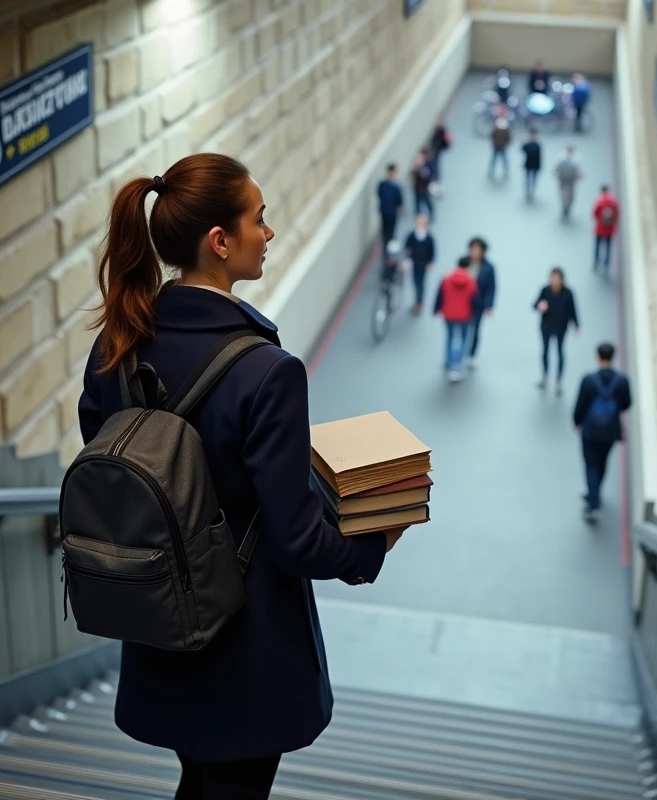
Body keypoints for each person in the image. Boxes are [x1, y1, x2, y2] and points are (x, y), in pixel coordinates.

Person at [77, 153, 405, 799]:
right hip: (243, 645)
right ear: (219, 241)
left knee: (196, 780)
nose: (270, 232)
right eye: (260, 218)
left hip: (158, 623)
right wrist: (373, 544)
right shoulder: (265, 370)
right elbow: (295, 540)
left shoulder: (118, 343)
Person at [573, 343, 632, 522]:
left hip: (590, 430)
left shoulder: (589, 380)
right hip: (611, 430)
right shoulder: (622, 381)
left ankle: (593, 502)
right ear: (612, 357)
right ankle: (596, 490)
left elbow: (580, 404)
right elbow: (626, 404)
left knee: (590, 464)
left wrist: (576, 422)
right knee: (602, 461)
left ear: (597, 357)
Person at [533, 267, 579, 394]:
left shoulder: (568, 293)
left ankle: (559, 380)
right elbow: (534, 304)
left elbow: (572, 310)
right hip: (546, 327)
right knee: (545, 351)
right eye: (552, 278)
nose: (554, 281)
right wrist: (540, 306)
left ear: (562, 279)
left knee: (560, 352)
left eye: (557, 278)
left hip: (561, 328)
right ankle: (545, 375)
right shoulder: (545, 291)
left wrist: (576, 325)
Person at [433, 256, 478, 382]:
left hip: (448, 314)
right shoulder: (471, 282)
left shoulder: (446, 278)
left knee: (449, 337)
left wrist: (436, 309)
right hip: (465, 316)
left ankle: (448, 361)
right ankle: (457, 365)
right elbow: (475, 301)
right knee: (463, 339)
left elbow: (440, 295)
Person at [464, 237, 497, 369]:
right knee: (462, 329)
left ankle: (472, 355)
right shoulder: (464, 262)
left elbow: (491, 287)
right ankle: (459, 353)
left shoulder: (489, 267)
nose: (475, 252)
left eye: (478, 250)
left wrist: (489, 305)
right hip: (463, 302)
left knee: (475, 329)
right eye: (473, 249)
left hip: (478, 303)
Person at [405, 214, 435, 314]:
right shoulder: (412, 236)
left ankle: (420, 303)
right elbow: (407, 248)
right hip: (414, 263)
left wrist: (430, 262)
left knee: (421, 284)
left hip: (423, 264)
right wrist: (408, 259)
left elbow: (432, 252)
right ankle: (417, 301)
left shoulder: (429, 238)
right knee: (415, 283)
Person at [592, 185, 620, 273]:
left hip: (599, 229)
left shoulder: (599, 202)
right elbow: (617, 215)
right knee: (608, 247)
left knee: (597, 246)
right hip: (609, 230)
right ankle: (606, 263)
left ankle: (596, 262)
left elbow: (594, 214)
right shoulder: (614, 203)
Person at [376, 164, 404, 245]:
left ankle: (390, 247)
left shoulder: (396, 187)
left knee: (391, 231)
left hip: (392, 212)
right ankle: (386, 245)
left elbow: (399, 200)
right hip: (385, 211)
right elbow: (379, 194)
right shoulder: (383, 184)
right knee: (385, 230)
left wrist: (400, 207)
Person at [555, 145, 582, 220]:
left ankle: (568, 207)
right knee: (563, 195)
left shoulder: (575, 161)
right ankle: (564, 206)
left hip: (571, 182)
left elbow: (578, 172)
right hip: (563, 180)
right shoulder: (562, 159)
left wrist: (578, 176)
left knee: (571, 196)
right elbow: (557, 169)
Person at [412, 148, 435, 220]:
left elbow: (430, 175)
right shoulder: (417, 166)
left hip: (424, 187)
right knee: (417, 202)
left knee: (427, 201)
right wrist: (417, 168)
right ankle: (418, 216)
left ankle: (431, 214)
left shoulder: (428, 165)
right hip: (417, 187)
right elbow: (413, 175)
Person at [521, 128, 542, 201]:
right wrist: (526, 142)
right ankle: (527, 191)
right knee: (527, 179)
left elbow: (539, 156)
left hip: (535, 165)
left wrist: (539, 166)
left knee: (533, 180)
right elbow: (522, 149)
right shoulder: (528, 143)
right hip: (528, 165)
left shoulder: (538, 144)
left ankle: (532, 191)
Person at [490, 116, 511, 180]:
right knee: (496, 159)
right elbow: (492, 135)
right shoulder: (499, 127)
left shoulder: (500, 127)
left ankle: (505, 171)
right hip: (498, 146)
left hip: (501, 146)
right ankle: (492, 170)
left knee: (501, 160)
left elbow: (492, 135)